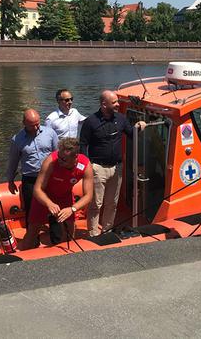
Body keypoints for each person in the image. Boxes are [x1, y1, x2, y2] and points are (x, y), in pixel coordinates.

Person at [80, 90, 146, 237]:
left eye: (117, 101)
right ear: (104, 104)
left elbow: (130, 133)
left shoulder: (121, 119)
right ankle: (93, 233)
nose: (117, 104)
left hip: (116, 168)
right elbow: (83, 145)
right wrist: (88, 166)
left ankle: (107, 230)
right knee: (96, 203)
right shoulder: (90, 122)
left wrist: (139, 127)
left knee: (112, 203)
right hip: (98, 168)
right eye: (114, 102)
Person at [22, 138, 94, 249]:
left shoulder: (85, 165)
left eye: (64, 159)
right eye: (59, 157)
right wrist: (49, 204)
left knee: (69, 230)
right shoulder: (51, 161)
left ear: (75, 157)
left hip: (64, 196)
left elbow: (88, 195)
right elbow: (37, 189)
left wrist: (72, 209)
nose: (59, 160)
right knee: (33, 230)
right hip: (44, 196)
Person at [5, 109, 59, 223]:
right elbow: (13, 161)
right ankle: (33, 239)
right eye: (32, 125)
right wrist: (10, 180)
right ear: (24, 123)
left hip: (49, 176)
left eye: (37, 124)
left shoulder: (50, 133)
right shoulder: (17, 139)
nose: (35, 128)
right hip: (30, 179)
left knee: (54, 208)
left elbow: (57, 155)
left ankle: (56, 239)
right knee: (31, 211)